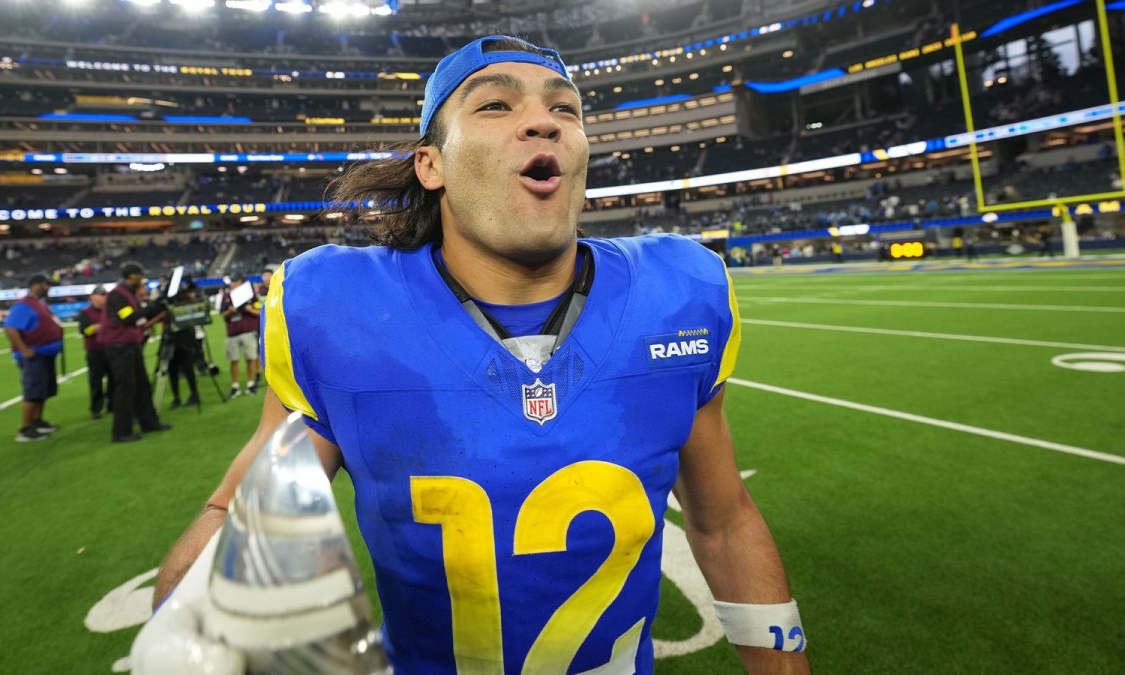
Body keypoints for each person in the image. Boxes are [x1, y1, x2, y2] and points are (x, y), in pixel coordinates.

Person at [139, 36, 808, 674]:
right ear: (431, 163)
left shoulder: (677, 295)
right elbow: (240, 515)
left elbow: (722, 523)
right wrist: (194, 615)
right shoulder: (340, 311)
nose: (542, 122)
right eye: (496, 103)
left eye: (564, 108)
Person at [100, 262, 172, 443]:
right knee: (125, 388)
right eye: (139, 276)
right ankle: (121, 432)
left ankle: (149, 423)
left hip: (129, 345)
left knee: (142, 385)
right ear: (132, 276)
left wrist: (156, 307)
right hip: (119, 346)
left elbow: (136, 315)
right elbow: (129, 317)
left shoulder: (127, 293)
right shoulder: (118, 295)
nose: (142, 280)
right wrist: (154, 307)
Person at [2, 274, 64, 442]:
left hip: (45, 354)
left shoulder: (39, 304)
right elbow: (10, 328)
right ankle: (25, 429)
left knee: (42, 391)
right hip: (35, 355)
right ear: (36, 285)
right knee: (33, 392)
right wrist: (25, 350)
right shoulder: (24, 305)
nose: (49, 287)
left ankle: (37, 422)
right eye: (46, 284)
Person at [219, 276, 261, 398]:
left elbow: (258, 311)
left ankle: (251, 384)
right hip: (233, 332)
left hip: (248, 331)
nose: (234, 283)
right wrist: (230, 311)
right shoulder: (226, 296)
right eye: (233, 281)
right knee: (234, 360)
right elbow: (222, 314)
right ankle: (235, 386)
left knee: (250, 358)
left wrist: (249, 310)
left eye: (236, 280)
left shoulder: (250, 294)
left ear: (242, 282)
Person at [76, 286, 112, 419]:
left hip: (110, 348)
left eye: (104, 295)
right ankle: (96, 408)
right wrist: (96, 328)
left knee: (113, 379)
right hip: (95, 351)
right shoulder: (85, 312)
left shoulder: (109, 310)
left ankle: (111, 405)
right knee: (96, 381)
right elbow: (83, 330)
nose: (103, 298)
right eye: (100, 295)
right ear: (92, 297)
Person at [164, 281, 202, 409]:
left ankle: (193, 394)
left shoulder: (186, 303)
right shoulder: (170, 303)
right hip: (174, 338)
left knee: (187, 368)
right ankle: (177, 397)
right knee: (172, 370)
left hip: (184, 338)